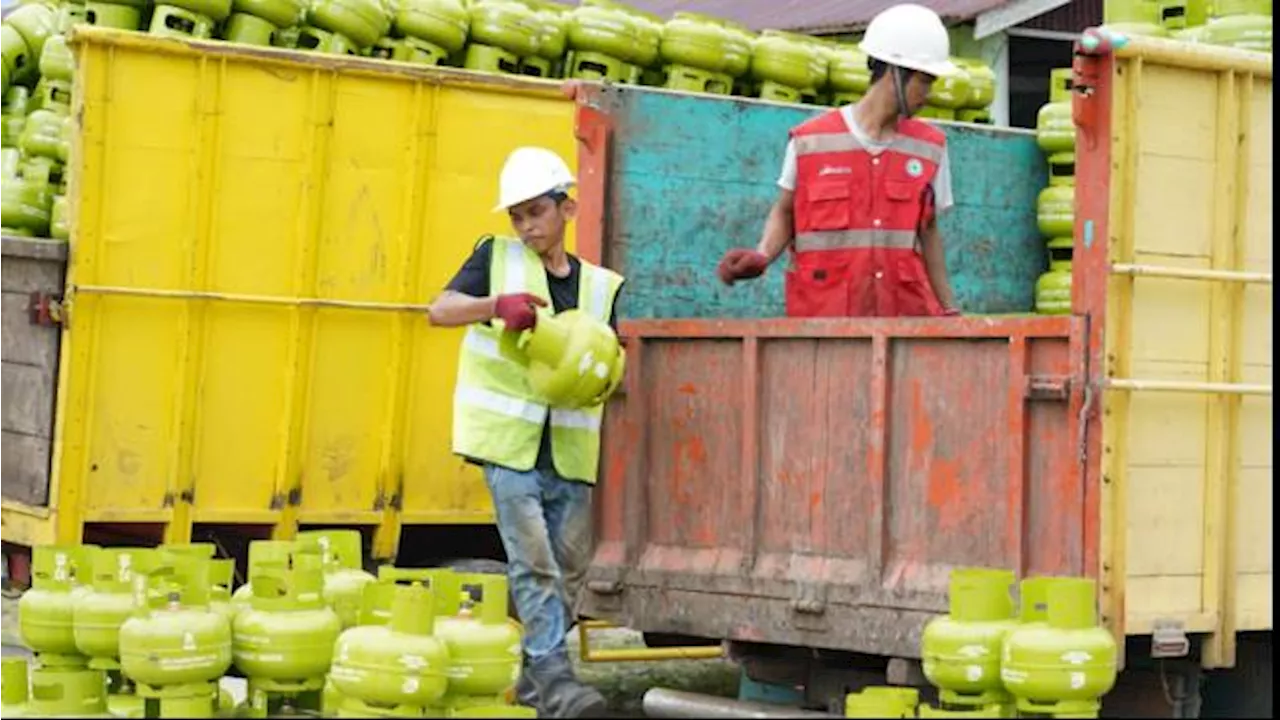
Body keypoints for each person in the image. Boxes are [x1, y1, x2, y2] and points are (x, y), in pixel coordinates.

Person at [427, 146, 623, 718]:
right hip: (508, 446)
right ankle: (558, 680)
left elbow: (610, 361)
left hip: (568, 450)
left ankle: (537, 688)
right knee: (533, 561)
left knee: (568, 571)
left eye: (535, 212)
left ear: (567, 208)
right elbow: (439, 310)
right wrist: (494, 305)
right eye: (516, 215)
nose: (525, 226)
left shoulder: (601, 287)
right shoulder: (496, 259)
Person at [717, 3, 963, 318]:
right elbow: (785, 211)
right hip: (823, 323)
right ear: (895, 72)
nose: (928, 94)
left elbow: (929, 233)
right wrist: (763, 255)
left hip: (903, 322)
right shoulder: (810, 142)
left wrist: (949, 309)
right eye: (925, 81)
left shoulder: (930, 148)